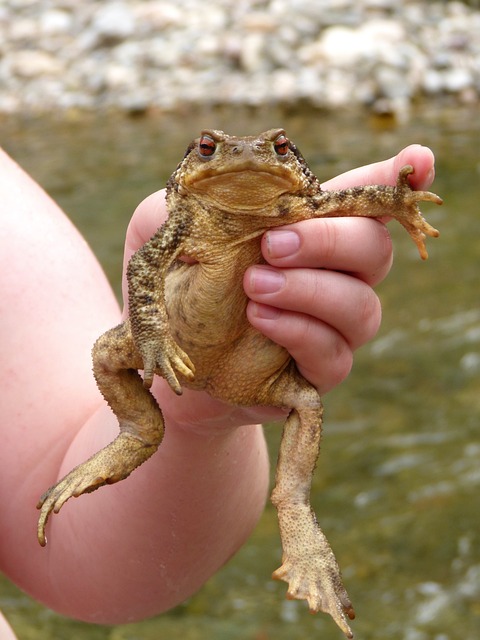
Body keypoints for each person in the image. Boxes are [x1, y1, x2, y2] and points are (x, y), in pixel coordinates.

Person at [0, 142, 437, 635]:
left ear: (290, 162)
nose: (245, 158)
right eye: (210, 149)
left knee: (304, 401)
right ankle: (138, 429)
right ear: (192, 164)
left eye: (273, 148)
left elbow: (358, 200)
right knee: (108, 355)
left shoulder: (292, 207)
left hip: (244, 366)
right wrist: (151, 335)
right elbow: (145, 269)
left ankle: (295, 509)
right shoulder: (191, 218)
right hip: (167, 343)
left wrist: (199, 419)